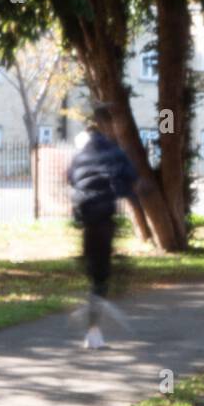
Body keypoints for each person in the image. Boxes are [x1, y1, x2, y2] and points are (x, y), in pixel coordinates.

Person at [67, 105, 138, 349]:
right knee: (101, 276)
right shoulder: (113, 150)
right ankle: (93, 328)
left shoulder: (80, 154)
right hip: (103, 214)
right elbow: (129, 176)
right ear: (108, 125)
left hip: (86, 215)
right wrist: (130, 195)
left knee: (94, 269)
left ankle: (93, 323)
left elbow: (71, 177)